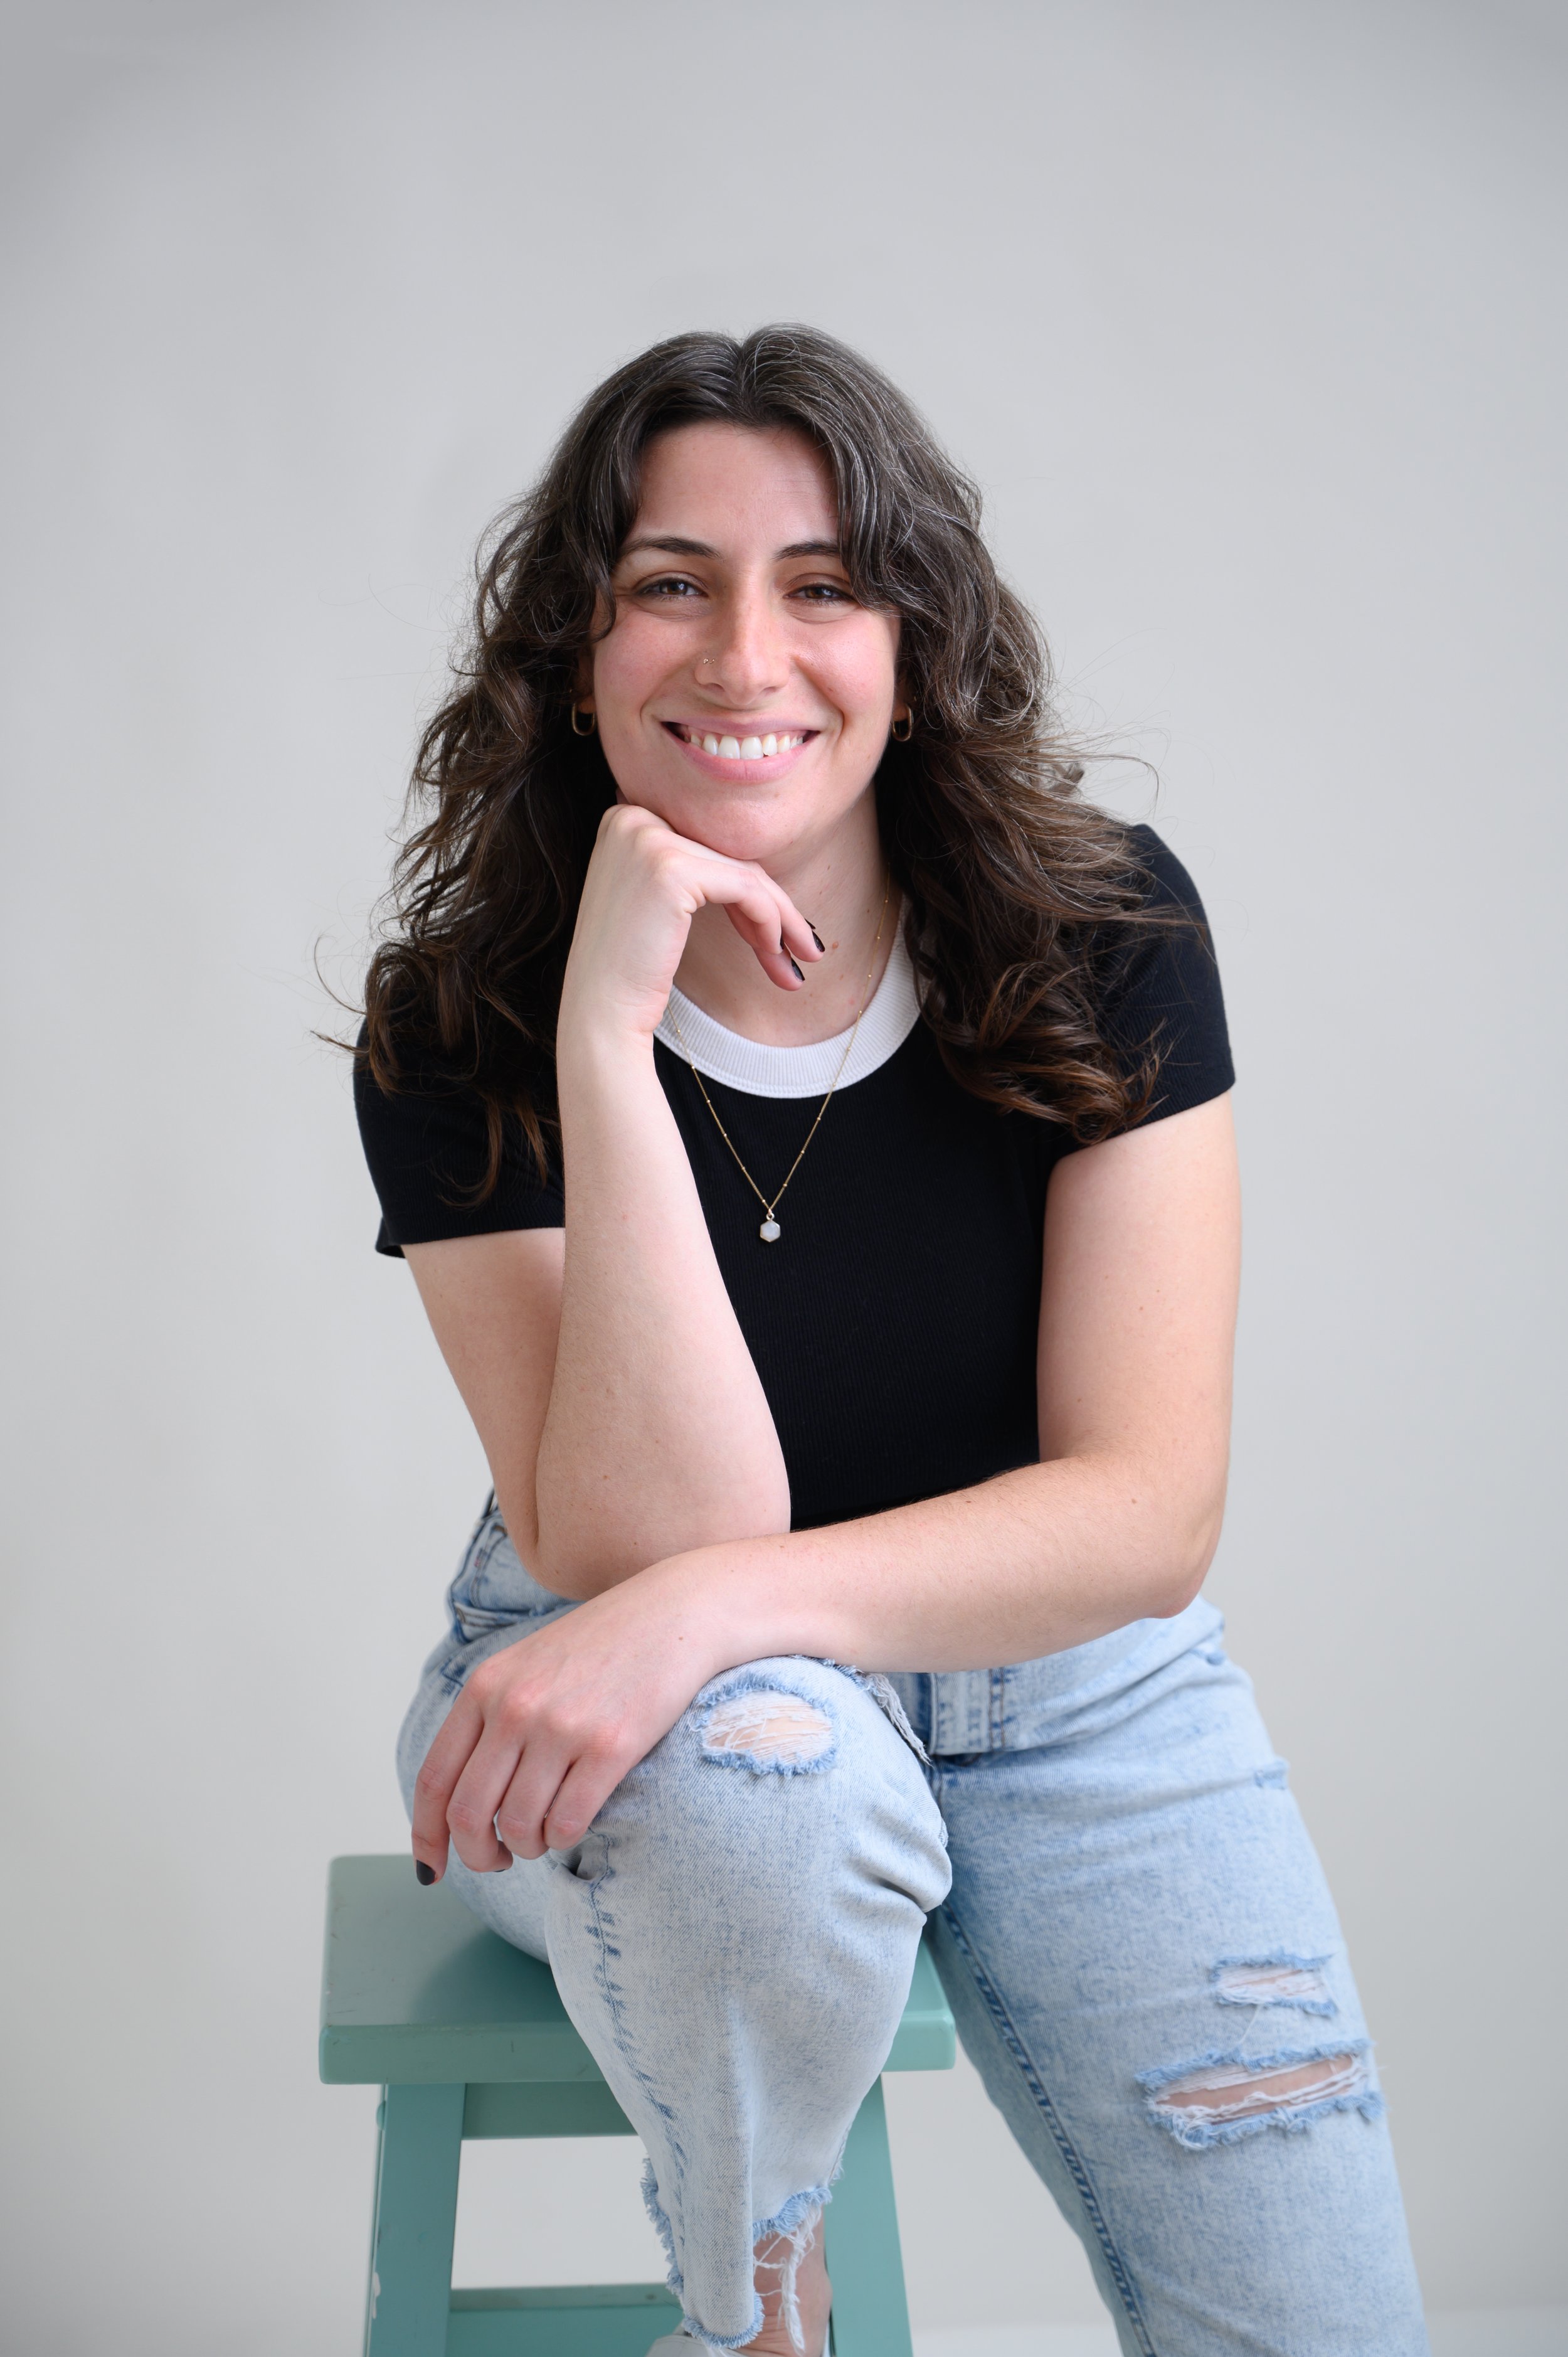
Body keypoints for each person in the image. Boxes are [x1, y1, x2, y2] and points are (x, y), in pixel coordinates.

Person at [353, 326, 1427, 2357]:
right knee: (775, 1778)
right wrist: (604, 1030)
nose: (743, 655)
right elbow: (650, 1533)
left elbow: (1140, 1513)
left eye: (823, 584)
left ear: (914, 647)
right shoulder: (462, 1017)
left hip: (1075, 1700)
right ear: (574, 652)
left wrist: (712, 1610)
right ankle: (760, 2308)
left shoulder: (1098, 932)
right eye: (670, 582)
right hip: (626, 1698)